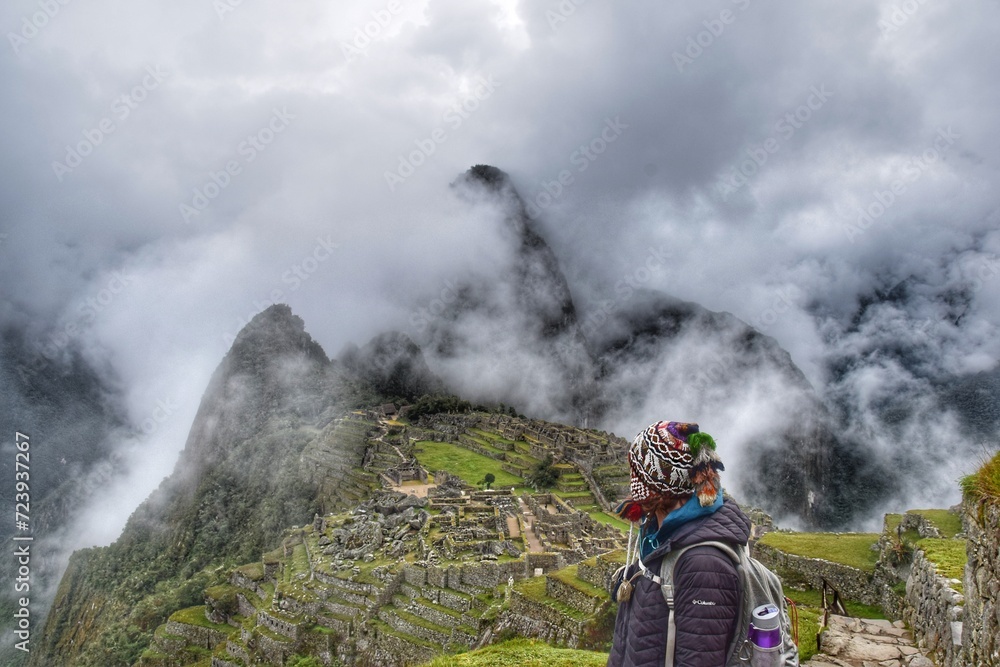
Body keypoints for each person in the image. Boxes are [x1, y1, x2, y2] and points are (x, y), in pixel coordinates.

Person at [607, 420, 751, 667]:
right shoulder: (657, 536)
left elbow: (700, 657)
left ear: (655, 488)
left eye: (637, 474)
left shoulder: (703, 565)